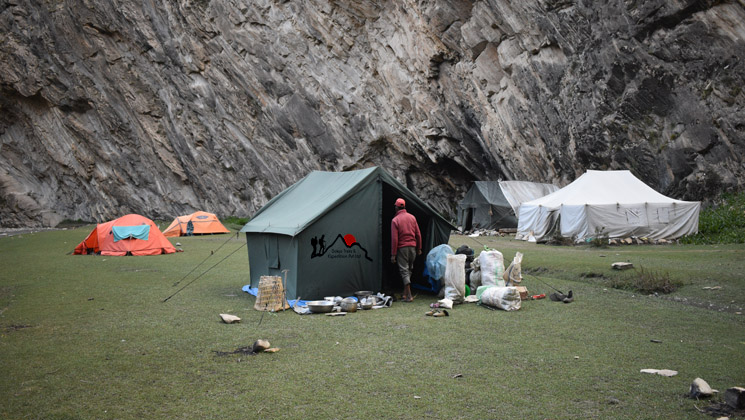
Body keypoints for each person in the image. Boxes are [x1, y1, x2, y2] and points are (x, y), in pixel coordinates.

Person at [391, 198, 422, 302]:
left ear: (396, 207)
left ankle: (409, 296)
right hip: (412, 248)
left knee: (404, 271)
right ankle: (405, 294)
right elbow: (418, 234)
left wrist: (393, 254)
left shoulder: (395, 220)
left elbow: (395, 239)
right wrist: (419, 248)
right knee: (409, 270)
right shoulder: (412, 218)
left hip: (402, 248)